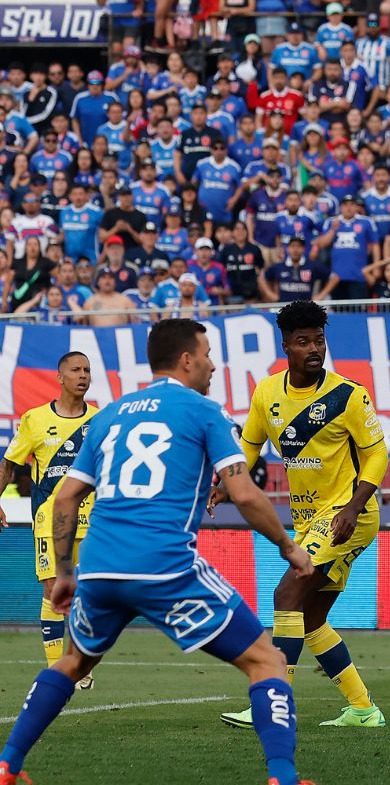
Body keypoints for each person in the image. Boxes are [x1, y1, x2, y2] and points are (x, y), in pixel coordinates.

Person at [0, 319, 313, 785]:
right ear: (186, 360)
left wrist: (66, 570)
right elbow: (244, 493)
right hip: (164, 567)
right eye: (206, 353)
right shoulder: (204, 411)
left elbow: (64, 498)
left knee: (73, 662)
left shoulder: (108, 416)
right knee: (267, 662)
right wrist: (290, 547)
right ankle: (284, 778)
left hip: (101, 568)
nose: (212, 363)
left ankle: (7, 764)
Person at [215, 300, 387, 730]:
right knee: (311, 619)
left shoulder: (348, 395)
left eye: (320, 339)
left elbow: (377, 456)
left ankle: (273, 706)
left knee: (286, 595)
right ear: (286, 346)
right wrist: (226, 481)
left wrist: (352, 506)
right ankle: (364, 710)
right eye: (303, 341)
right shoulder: (267, 393)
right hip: (310, 519)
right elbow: (250, 447)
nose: (314, 348)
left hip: (351, 514)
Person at [0, 353, 98, 683]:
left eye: (87, 370)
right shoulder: (35, 420)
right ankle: (57, 667)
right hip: (49, 519)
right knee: (53, 588)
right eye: (76, 370)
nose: (83, 375)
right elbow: (10, 463)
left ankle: (79, 658)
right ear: (60, 377)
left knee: (91, 592)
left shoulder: (99, 421)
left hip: (92, 520)